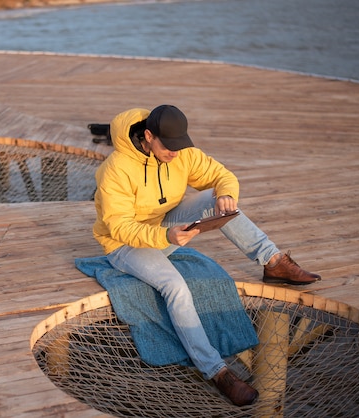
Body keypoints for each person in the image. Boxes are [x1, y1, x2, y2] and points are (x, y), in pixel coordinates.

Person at [92, 105, 321, 406]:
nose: (175, 153)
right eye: (169, 146)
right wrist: (165, 236)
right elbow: (119, 226)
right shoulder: (116, 168)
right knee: (175, 286)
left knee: (219, 201)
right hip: (124, 245)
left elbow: (221, 175)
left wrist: (226, 193)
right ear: (148, 136)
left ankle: (272, 261)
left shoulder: (181, 151)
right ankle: (216, 370)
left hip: (163, 228)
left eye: (179, 145)